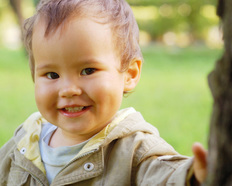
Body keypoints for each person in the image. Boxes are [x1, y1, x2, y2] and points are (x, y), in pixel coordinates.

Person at [0, 0, 207, 185]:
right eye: (52, 74)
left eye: (88, 71)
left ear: (129, 74)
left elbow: (166, 176)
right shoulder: (25, 142)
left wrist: (194, 176)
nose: (68, 90)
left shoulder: (136, 151)